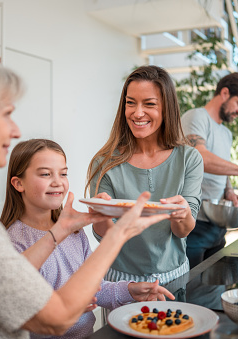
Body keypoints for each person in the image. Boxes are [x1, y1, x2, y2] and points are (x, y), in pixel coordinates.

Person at [0, 47, 170, 339]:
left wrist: (60, 230)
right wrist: (118, 234)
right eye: (6, 114)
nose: (15, 131)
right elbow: (56, 319)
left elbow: (10, 280)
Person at [1, 139, 175, 339]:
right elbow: (25, 317)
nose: (58, 181)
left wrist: (129, 290)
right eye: (45, 174)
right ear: (18, 183)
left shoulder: (74, 232)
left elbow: (95, 289)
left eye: (63, 173)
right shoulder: (12, 243)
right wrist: (71, 306)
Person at [85, 65, 204, 286]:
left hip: (174, 276)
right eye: (131, 103)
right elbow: (105, 237)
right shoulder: (104, 162)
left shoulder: (189, 158)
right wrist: (99, 217)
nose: (137, 113)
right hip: (120, 280)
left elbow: (183, 230)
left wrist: (182, 213)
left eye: (149, 104)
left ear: (166, 108)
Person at [180, 72, 238, 268]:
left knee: (212, 291)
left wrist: (229, 191)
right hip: (194, 224)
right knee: (191, 290)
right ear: (225, 93)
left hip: (218, 226)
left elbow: (221, 167)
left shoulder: (226, 133)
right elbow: (199, 158)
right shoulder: (196, 117)